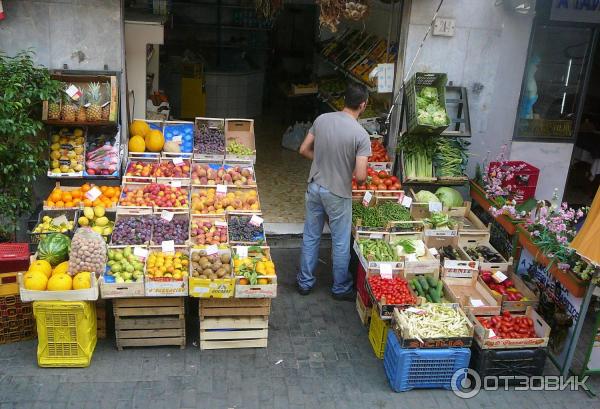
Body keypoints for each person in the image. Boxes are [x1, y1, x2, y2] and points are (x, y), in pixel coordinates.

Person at [296, 82, 371, 301]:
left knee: (311, 236)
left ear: (344, 99)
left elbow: (303, 149)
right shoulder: (361, 135)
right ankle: (340, 288)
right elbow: (360, 176)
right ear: (363, 105)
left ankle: (305, 282)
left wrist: (321, 161)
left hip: (315, 186)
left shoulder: (322, 119)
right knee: (340, 241)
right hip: (338, 192)